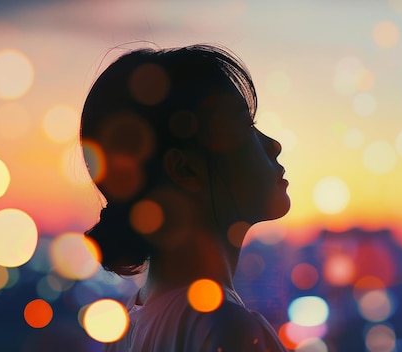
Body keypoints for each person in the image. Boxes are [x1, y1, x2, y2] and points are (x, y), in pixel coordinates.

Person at [80, 44, 291, 352]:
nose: (274, 145)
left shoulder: (128, 329)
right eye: (245, 126)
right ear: (186, 169)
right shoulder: (226, 329)